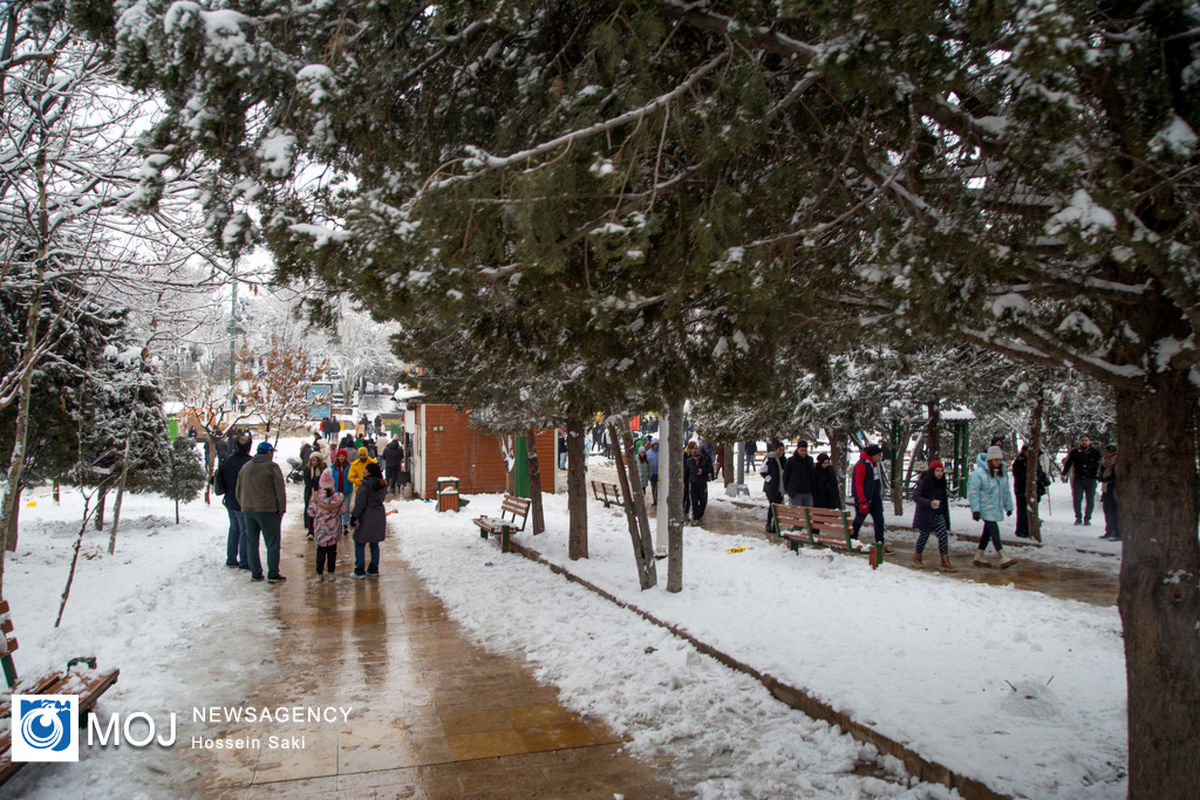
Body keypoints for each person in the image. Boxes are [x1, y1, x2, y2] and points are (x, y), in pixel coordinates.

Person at [236, 441, 288, 583]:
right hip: (268, 510)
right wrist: (281, 509)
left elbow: (238, 490)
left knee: (252, 542)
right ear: (268, 452)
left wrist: (244, 505)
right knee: (272, 542)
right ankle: (273, 572)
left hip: (248, 510)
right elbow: (280, 490)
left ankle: (256, 572)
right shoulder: (272, 467)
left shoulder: (245, 467)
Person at [969, 445, 1016, 568]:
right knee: (993, 528)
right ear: (990, 460)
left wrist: (1008, 506)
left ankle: (978, 556)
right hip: (984, 507)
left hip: (996, 507)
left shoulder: (1002, 474)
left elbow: (1005, 491)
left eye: (1000, 460)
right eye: (995, 460)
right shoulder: (979, 473)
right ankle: (1002, 555)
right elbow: (973, 492)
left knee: (987, 532)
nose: (998, 462)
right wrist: (976, 509)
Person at [216, 434, 253, 569]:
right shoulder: (250, 463)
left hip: (230, 501)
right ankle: (244, 560)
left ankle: (231, 558)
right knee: (244, 531)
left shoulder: (228, 461)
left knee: (234, 529)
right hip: (243, 502)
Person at [911, 460, 955, 571]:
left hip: (939, 513)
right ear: (932, 471)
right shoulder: (924, 482)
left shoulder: (942, 483)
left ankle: (945, 561)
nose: (940, 473)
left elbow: (944, 500)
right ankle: (917, 558)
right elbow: (916, 497)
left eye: (941, 471)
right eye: (937, 471)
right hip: (926, 514)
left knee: (943, 535)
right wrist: (929, 503)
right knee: (924, 535)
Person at [350, 462, 388, 578]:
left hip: (366, 516)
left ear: (370, 472)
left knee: (359, 542)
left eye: (365, 470)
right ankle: (373, 568)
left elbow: (360, 503)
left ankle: (359, 570)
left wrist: (354, 517)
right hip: (379, 515)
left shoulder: (365, 485)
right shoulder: (382, 484)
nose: (363, 471)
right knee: (374, 543)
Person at [308, 471, 344, 581]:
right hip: (333, 529)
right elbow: (343, 510)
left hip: (320, 529)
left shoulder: (316, 497)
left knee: (321, 551)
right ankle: (331, 573)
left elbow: (310, 512)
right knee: (332, 552)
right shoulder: (337, 497)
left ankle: (319, 573)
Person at [851, 445, 889, 552]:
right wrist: (862, 499)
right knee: (859, 520)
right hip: (865, 499)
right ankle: (852, 540)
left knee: (879, 520)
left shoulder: (876, 465)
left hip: (875, 498)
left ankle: (880, 543)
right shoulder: (862, 465)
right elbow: (858, 484)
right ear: (872, 455)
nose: (880, 457)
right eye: (878, 455)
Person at [1061, 434, 1101, 525]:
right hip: (1078, 478)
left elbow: (1100, 464)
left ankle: (1087, 518)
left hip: (1091, 478)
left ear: (1089, 441)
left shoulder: (1095, 452)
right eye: (1082, 440)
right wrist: (1064, 473)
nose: (1084, 442)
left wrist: (1099, 475)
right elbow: (1069, 463)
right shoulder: (1075, 452)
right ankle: (1078, 517)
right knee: (1077, 498)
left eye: (1086, 440)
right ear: (1079, 442)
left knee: (1090, 499)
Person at [1012, 445, 1049, 538]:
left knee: (1032, 508)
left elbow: (1040, 472)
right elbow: (1019, 475)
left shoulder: (1035, 461)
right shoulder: (1019, 462)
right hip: (1022, 490)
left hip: (1035, 490)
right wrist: (1030, 479)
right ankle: (1022, 530)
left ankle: (1031, 527)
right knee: (1023, 510)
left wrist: (1043, 479)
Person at [684, 440, 714, 523]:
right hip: (692, 483)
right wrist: (684, 482)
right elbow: (686, 472)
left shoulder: (705, 459)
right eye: (694, 456)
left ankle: (699, 515)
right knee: (694, 501)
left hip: (702, 483)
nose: (696, 458)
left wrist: (703, 471)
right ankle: (696, 517)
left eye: (697, 456)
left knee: (703, 501)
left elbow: (710, 469)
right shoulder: (689, 461)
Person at [760, 440, 786, 532]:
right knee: (772, 505)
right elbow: (762, 470)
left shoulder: (784, 459)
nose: (782, 452)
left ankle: (775, 525)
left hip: (780, 487)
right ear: (776, 449)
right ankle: (768, 523)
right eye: (780, 450)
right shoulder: (770, 458)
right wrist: (769, 479)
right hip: (771, 487)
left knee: (778, 506)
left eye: (783, 450)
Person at [783, 440, 816, 508]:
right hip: (796, 493)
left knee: (809, 514)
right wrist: (788, 490)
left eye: (805, 450)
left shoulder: (809, 460)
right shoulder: (791, 461)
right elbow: (785, 476)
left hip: (808, 492)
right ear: (797, 450)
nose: (803, 452)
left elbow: (813, 475)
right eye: (802, 450)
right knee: (797, 514)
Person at [1098, 444, 1119, 541]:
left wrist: (1109, 479)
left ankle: (1117, 532)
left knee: (1114, 512)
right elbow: (1101, 472)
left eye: (1107, 451)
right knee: (1107, 511)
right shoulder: (1104, 462)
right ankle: (1109, 530)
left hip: (1114, 489)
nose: (1105, 453)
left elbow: (1117, 476)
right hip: (1106, 489)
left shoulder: (1116, 462)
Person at [302, 452, 325, 539]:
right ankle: (310, 530)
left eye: (316, 461)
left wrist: (315, 480)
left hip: (320, 493)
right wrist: (316, 480)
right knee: (309, 510)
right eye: (313, 460)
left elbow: (323, 481)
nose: (314, 462)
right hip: (309, 492)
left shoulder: (323, 469)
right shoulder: (307, 469)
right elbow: (308, 482)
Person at [329, 449, 353, 533]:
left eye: (343, 456)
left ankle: (345, 524)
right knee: (337, 508)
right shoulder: (333, 467)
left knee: (345, 507)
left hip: (347, 490)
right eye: (340, 456)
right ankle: (337, 524)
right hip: (336, 490)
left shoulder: (349, 466)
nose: (341, 458)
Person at [645, 438, 660, 505]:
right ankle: (655, 500)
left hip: (660, 474)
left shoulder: (662, 452)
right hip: (652, 474)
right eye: (655, 445)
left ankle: (660, 499)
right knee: (653, 487)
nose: (656, 446)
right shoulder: (648, 453)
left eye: (657, 445)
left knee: (660, 487)